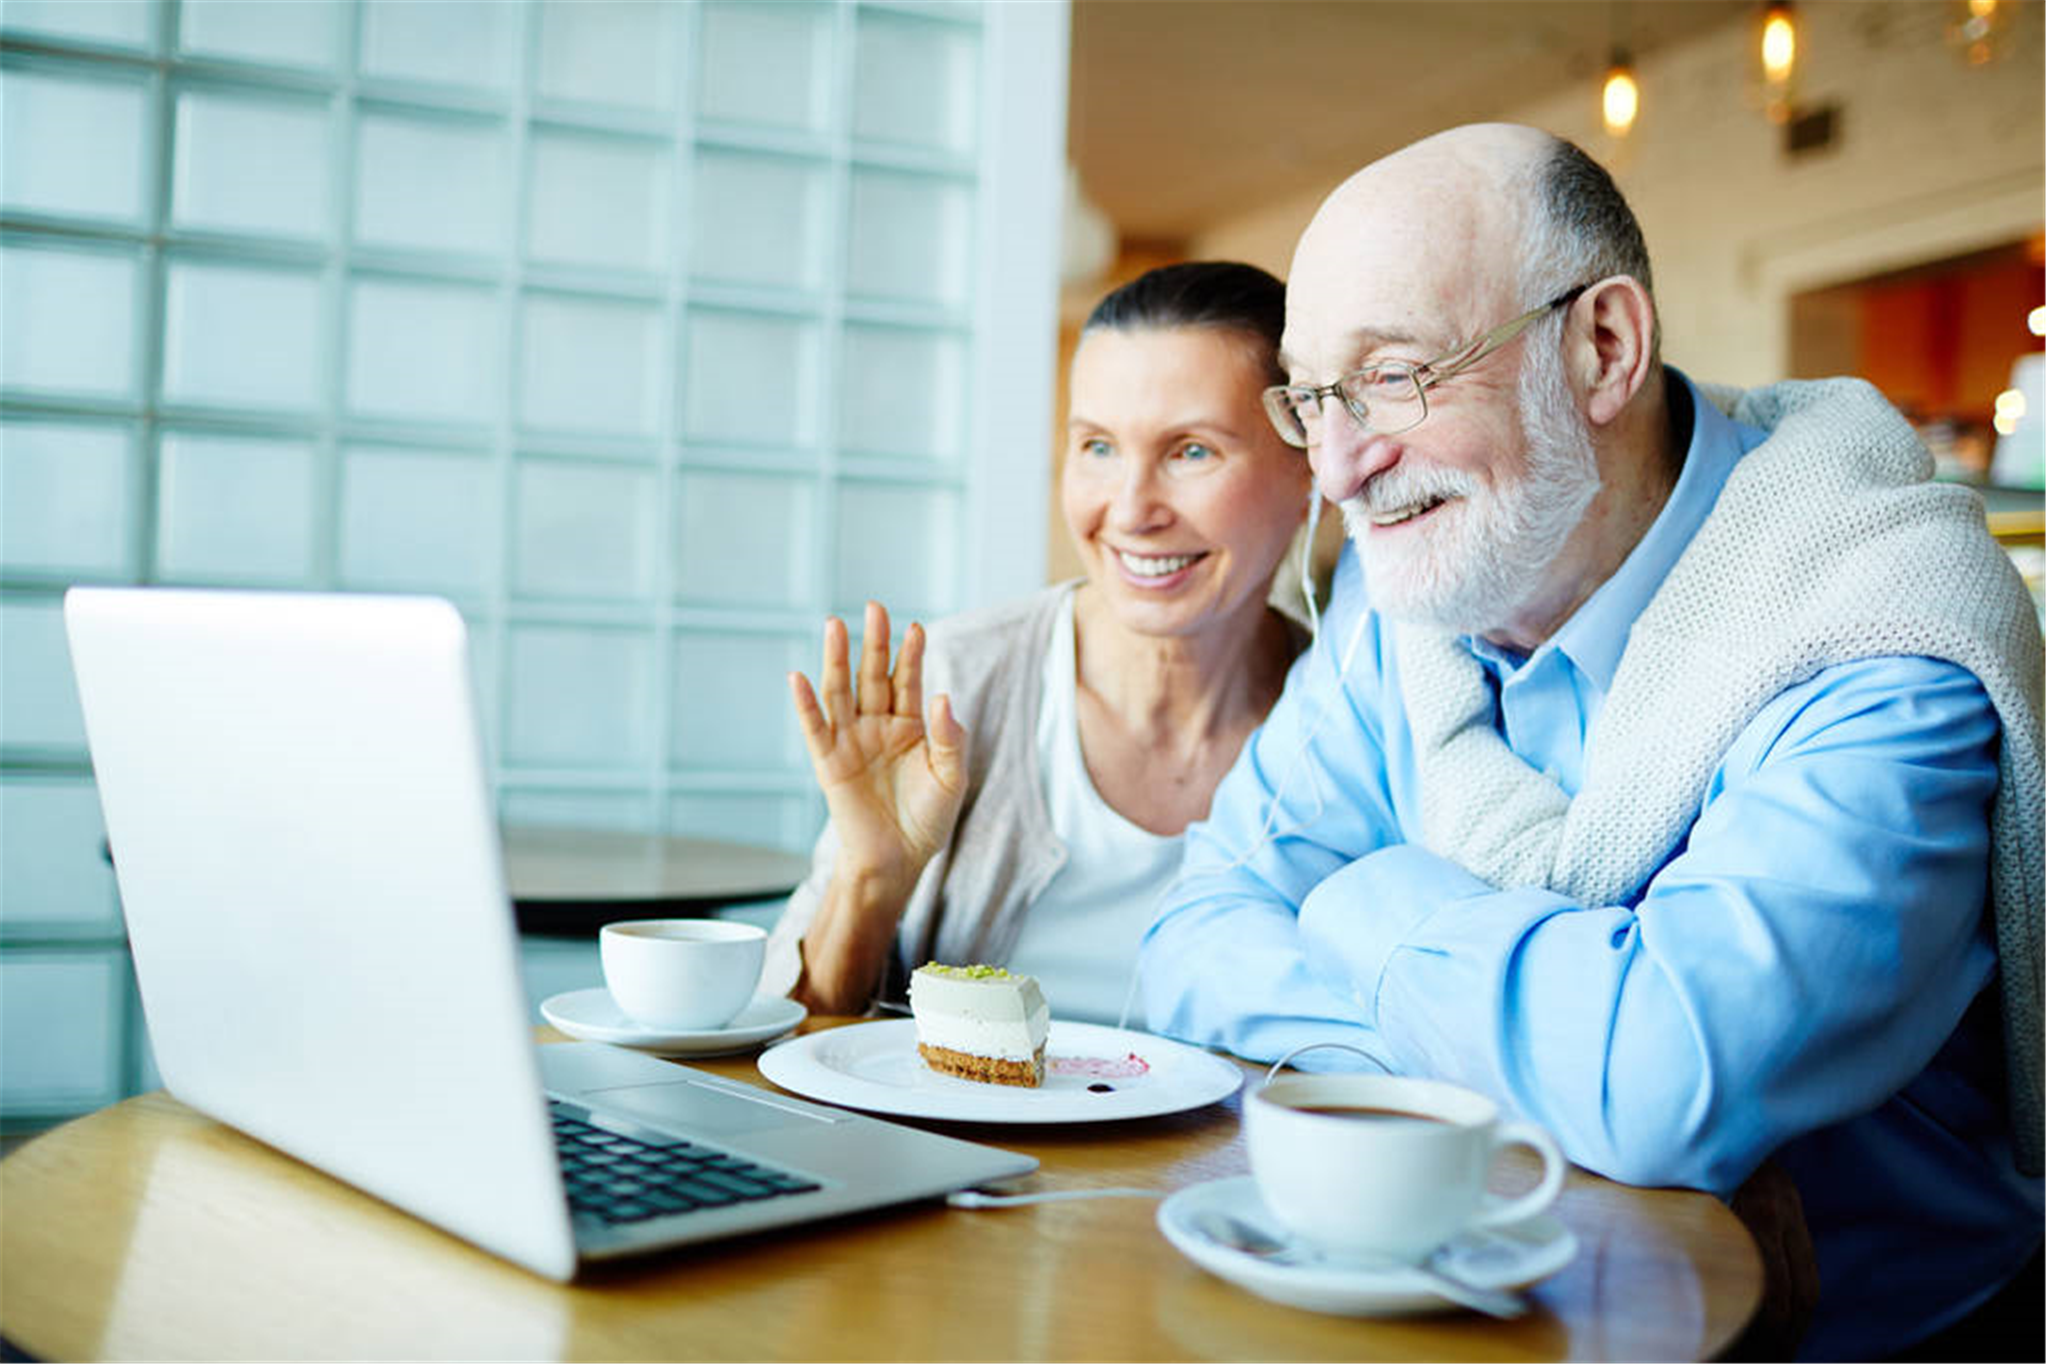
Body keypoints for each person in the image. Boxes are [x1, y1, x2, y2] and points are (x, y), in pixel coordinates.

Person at [1139, 125, 2045, 1361]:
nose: (1343, 468)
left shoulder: (1883, 631)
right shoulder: (1410, 598)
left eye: (1396, 376)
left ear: (1602, 347)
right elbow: (1192, 937)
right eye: (1314, 398)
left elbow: (1658, 1079)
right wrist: (1511, 1084)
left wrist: (1365, 903)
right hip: (1457, 1301)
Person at [763, 261, 1313, 1024]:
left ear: (1312, 465)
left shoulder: (1351, 716)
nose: (1130, 509)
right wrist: (870, 877)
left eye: (1191, 451)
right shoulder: (961, 686)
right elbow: (784, 1044)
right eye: (1097, 447)